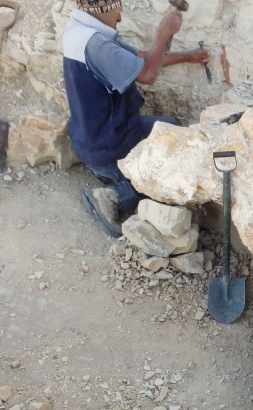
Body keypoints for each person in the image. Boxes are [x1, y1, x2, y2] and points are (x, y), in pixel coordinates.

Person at [62, 0, 209, 237]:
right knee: (169, 168)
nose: (119, 20)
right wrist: (163, 33)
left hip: (93, 138)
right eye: (117, 14)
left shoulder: (79, 30)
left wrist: (186, 56)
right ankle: (113, 195)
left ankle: (108, 173)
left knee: (171, 128)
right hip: (109, 144)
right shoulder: (98, 46)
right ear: (104, 10)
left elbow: (140, 59)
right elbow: (147, 74)